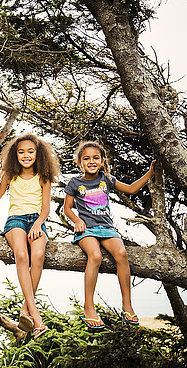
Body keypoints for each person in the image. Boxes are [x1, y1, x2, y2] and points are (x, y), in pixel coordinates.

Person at [63, 140, 155, 330]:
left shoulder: (106, 179)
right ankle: (88, 307)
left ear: (103, 161)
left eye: (96, 158)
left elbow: (131, 189)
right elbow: (67, 208)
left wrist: (151, 173)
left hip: (106, 228)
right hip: (86, 229)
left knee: (122, 254)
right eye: (86, 158)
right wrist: (77, 221)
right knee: (95, 256)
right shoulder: (75, 183)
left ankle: (127, 305)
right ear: (79, 162)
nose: (91, 161)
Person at [0, 133, 60, 339]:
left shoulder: (44, 176)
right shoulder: (10, 175)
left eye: (30, 152)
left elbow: (46, 209)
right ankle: (37, 318)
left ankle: (25, 310)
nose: (26, 155)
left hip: (36, 220)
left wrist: (38, 224)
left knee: (39, 254)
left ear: (38, 154)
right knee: (22, 256)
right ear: (15, 155)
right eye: (21, 152)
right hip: (15, 221)